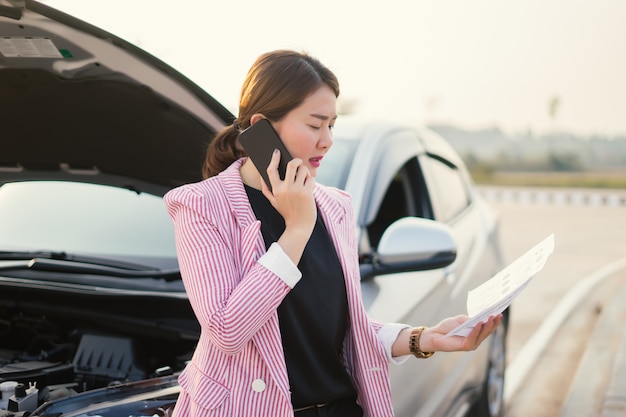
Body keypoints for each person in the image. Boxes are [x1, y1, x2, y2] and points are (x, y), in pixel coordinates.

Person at [164, 49, 502, 417]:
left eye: (332, 125)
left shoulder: (334, 206)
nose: (326, 141)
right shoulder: (201, 206)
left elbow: (340, 331)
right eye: (314, 125)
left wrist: (425, 337)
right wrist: (296, 229)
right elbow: (228, 330)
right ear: (261, 125)